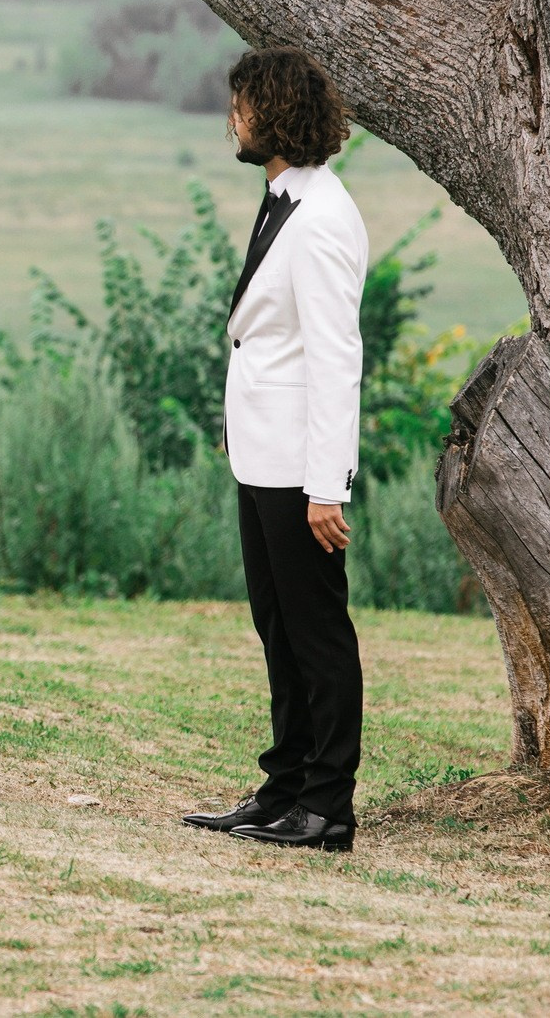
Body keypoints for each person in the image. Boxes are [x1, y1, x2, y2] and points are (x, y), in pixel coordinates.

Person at [181, 47, 368, 852]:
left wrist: (327, 486)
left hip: (301, 469)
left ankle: (326, 807)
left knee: (317, 633)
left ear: (277, 116)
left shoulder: (323, 216)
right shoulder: (282, 196)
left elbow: (335, 356)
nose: (234, 117)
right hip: (261, 454)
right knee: (276, 627)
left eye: (244, 104)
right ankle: (283, 786)